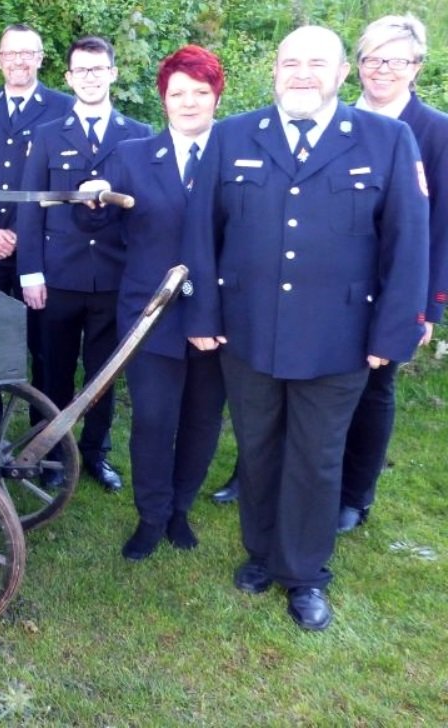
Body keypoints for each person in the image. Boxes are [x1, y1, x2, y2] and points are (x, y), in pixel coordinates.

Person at [184, 25, 429, 631]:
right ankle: (262, 555)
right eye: (290, 62)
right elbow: (201, 235)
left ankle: (306, 574)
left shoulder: (386, 139)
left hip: (339, 337)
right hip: (247, 332)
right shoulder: (234, 135)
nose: (301, 73)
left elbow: (408, 245)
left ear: (343, 73)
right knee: (259, 450)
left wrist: (389, 337)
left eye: (316, 63)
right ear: (274, 71)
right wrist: (204, 316)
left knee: (316, 460)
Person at [77, 46, 227, 559]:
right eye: (177, 93)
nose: (188, 103)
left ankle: (181, 509)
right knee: (154, 420)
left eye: (200, 93)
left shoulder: (235, 154)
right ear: (163, 99)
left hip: (218, 318)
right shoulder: (133, 155)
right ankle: (152, 515)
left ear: (216, 97)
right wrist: (92, 195)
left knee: (203, 420)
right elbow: (96, 218)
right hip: (150, 315)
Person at [14, 37, 151, 493]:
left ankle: (95, 452)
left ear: (113, 73)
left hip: (114, 276)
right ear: (69, 79)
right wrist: (30, 272)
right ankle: (49, 451)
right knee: (51, 367)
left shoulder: (137, 135)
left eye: (99, 69)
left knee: (103, 371)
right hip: (57, 276)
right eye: (81, 71)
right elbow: (31, 207)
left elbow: (146, 211)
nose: (90, 78)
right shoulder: (49, 135)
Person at [340, 14, 447, 532]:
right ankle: (262, 473)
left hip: (392, 288)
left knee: (374, 389)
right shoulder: (332, 118)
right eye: (372, 58)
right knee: (298, 381)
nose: (382, 69)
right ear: (357, 64)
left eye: (395, 60)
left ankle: (355, 494)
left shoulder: (437, 132)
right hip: (328, 283)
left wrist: (429, 306)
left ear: (416, 67)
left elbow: (443, 226)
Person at [0, 24, 74, 295]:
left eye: (26, 53)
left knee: (39, 336)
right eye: (10, 54)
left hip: (41, 249)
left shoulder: (64, 109)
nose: (18, 61)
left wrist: (24, 231)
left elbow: (63, 182)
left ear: (40, 58)